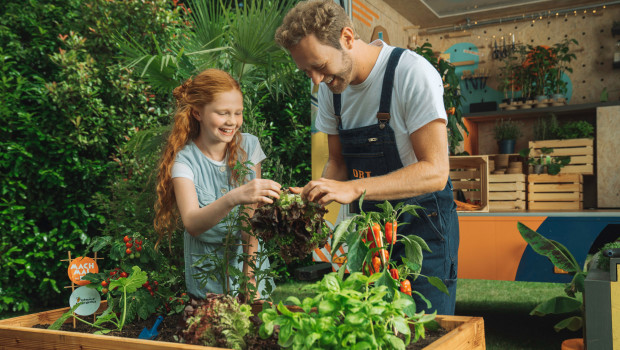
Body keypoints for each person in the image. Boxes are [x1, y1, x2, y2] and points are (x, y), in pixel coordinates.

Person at [275, 0, 459, 315]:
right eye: (307, 71)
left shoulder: (410, 73)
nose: (316, 80)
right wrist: (315, 192)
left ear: (347, 37)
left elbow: (435, 171)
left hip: (423, 226)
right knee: (371, 325)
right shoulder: (329, 89)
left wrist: (353, 189)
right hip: (369, 228)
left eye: (319, 65)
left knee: (425, 329)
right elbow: (339, 162)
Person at [153, 68, 281, 301]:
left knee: (259, 330)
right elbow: (192, 223)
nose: (232, 122)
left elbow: (250, 220)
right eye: (223, 113)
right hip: (206, 266)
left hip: (246, 257)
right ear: (198, 113)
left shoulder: (249, 147)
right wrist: (235, 196)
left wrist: (249, 276)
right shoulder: (185, 160)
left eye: (238, 113)